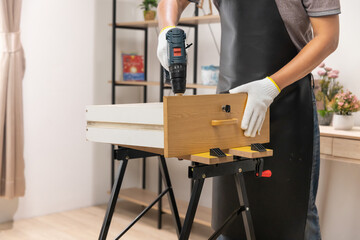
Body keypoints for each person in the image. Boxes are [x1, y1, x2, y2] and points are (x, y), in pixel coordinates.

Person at [157, 0, 340, 239]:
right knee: (230, 216)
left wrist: (272, 86)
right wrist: (166, 30)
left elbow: (328, 37)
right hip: (230, 111)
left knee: (295, 216)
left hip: (287, 106)